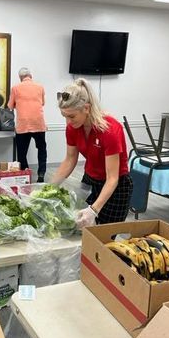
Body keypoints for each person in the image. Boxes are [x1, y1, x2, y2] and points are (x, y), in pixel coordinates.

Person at [52, 78, 133, 227]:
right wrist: (48, 188)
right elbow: (70, 160)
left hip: (116, 187)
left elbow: (112, 178)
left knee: (105, 236)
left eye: (71, 116)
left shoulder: (110, 130)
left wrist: (94, 210)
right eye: (65, 117)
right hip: (90, 180)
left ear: (87, 108)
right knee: (81, 229)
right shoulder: (73, 128)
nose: (68, 122)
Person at [8, 67, 47, 182]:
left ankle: (26, 175)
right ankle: (41, 174)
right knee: (42, 149)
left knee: (22, 152)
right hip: (38, 123)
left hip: (23, 125)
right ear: (31, 76)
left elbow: (10, 106)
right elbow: (43, 103)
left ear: (20, 78)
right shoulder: (40, 87)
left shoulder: (15, 88)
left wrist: (18, 104)